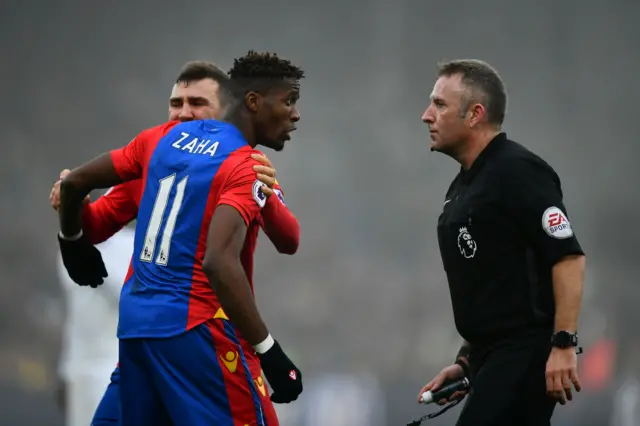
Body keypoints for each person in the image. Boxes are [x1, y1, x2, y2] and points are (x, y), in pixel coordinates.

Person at [57, 50, 305, 426]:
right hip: (201, 331)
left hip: (142, 330)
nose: (184, 113)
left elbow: (288, 237)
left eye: (197, 103)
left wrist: (265, 196)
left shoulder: (175, 150)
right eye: (177, 103)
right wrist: (70, 214)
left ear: (226, 108)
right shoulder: (191, 159)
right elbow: (96, 223)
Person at [417, 59, 586, 426]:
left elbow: (568, 258)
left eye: (440, 104)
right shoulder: (465, 185)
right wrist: (467, 361)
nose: (426, 115)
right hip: (493, 357)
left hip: (524, 353)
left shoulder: (518, 170)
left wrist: (563, 344)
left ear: (475, 113)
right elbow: (496, 285)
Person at [56, 226, 133, 426]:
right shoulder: (66, 247)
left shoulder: (131, 244)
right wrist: (64, 369)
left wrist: (93, 265)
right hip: (78, 370)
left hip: (110, 366)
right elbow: (75, 315)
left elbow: (132, 295)